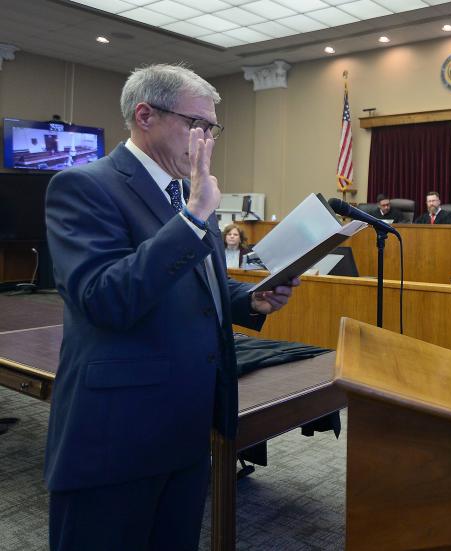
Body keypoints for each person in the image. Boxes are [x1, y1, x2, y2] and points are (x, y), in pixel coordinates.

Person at [43, 63, 298, 550]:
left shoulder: (181, 195)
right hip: (116, 437)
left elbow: (197, 285)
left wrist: (250, 299)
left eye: (212, 128)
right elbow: (106, 298)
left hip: (183, 433)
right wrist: (195, 216)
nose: (207, 140)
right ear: (146, 116)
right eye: (197, 125)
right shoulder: (84, 186)